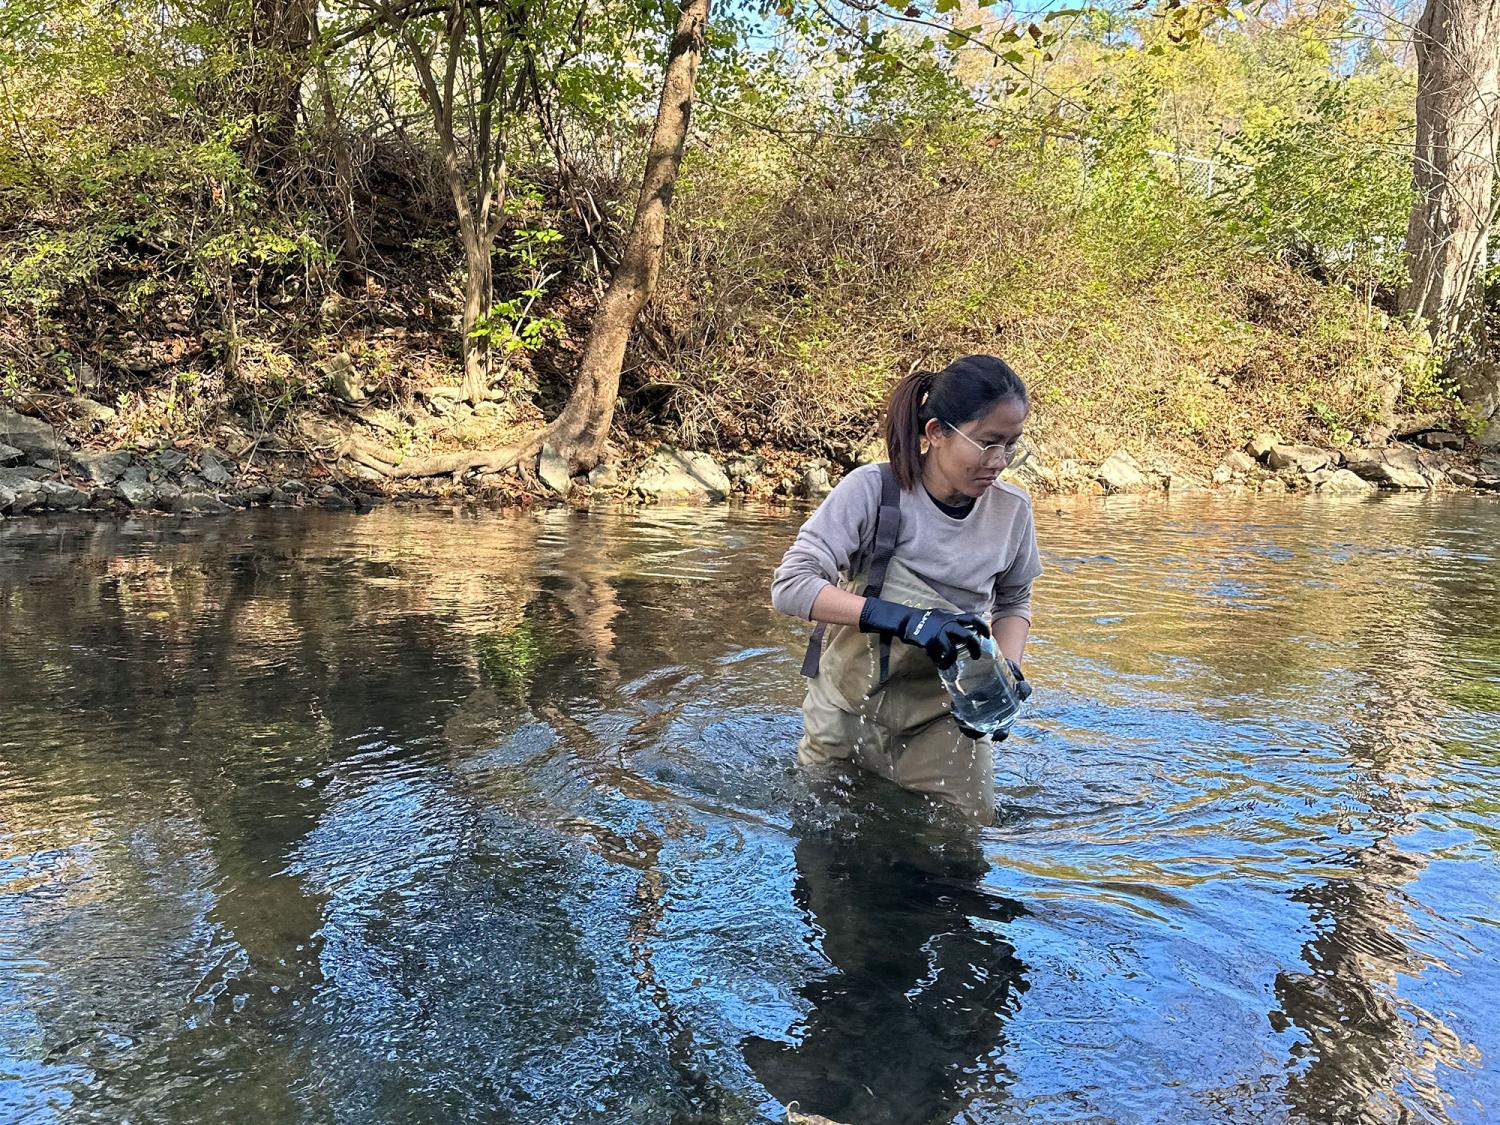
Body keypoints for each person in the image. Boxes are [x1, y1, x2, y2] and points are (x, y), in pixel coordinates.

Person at [771, 354, 1041, 820]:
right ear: (936, 432)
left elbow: (1015, 600)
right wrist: (908, 620)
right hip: (845, 710)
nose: (999, 461)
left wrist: (1007, 675)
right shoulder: (872, 491)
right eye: (987, 443)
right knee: (828, 854)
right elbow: (791, 586)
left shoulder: (1013, 511)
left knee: (961, 851)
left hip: (945, 720)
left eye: (1012, 445)